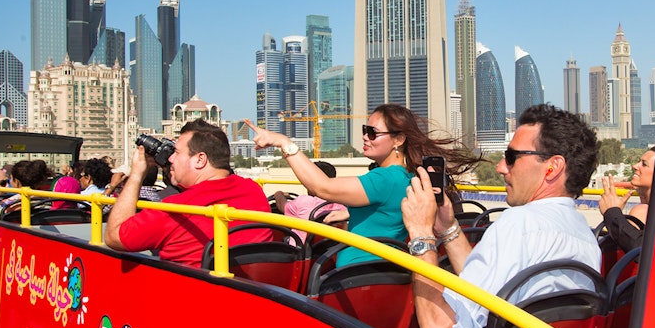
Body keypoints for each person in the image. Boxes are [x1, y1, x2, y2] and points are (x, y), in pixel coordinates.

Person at [401, 104, 601, 328]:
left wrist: (422, 234)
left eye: (511, 157)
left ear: (552, 167)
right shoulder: (585, 234)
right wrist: (448, 228)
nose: (500, 167)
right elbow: (488, 286)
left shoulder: (517, 225)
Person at [246, 104, 480, 266]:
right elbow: (386, 209)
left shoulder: (383, 179)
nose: (365, 137)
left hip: (355, 271)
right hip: (386, 268)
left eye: (372, 132)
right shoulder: (409, 177)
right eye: (364, 130)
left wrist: (283, 142)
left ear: (398, 140)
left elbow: (322, 188)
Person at [104, 119, 272, 268]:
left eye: (176, 152)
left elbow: (113, 237)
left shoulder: (175, 210)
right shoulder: (254, 191)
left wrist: (136, 175)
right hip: (250, 296)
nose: (170, 159)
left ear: (200, 159)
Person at [598, 145, 655, 252]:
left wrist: (612, 212)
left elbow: (635, 247)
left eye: (644, 164)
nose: (635, 166)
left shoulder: (643, 212)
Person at [273, 161, 348, 241]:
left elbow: (282, 206)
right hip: (330, 249)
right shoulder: (341, 204)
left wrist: (278, 194)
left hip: (301, 249)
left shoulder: (304, 201)